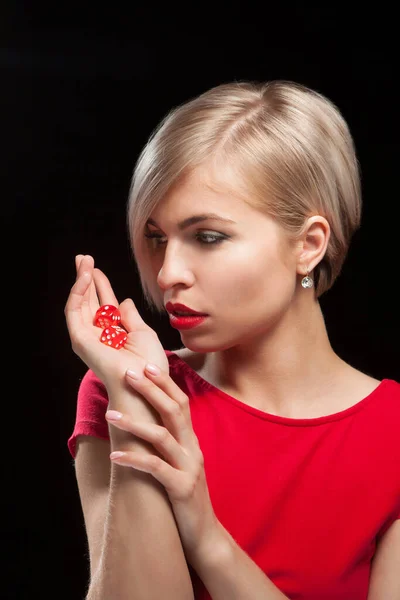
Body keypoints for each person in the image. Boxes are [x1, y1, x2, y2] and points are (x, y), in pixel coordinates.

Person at [65, 80, 400, 600]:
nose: (168, 272)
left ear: (309, 245)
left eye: (207, 236)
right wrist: (135, 398)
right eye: (156, 238)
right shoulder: (116, 390)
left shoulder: (392, 435)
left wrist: (207, 538)